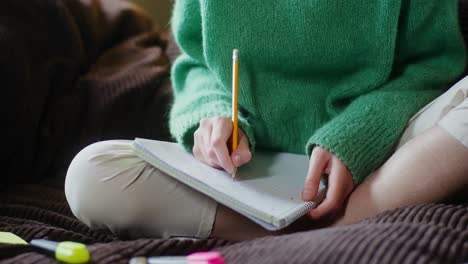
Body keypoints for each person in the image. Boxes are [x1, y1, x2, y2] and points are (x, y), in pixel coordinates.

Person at [64, 0, 468, 240]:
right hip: (247, 171)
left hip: (387, 157)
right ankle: (293, 226)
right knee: (91, 174)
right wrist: (212, 116)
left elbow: (433, 65)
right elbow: (196, 64)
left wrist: (360, 136)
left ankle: (347, 219)